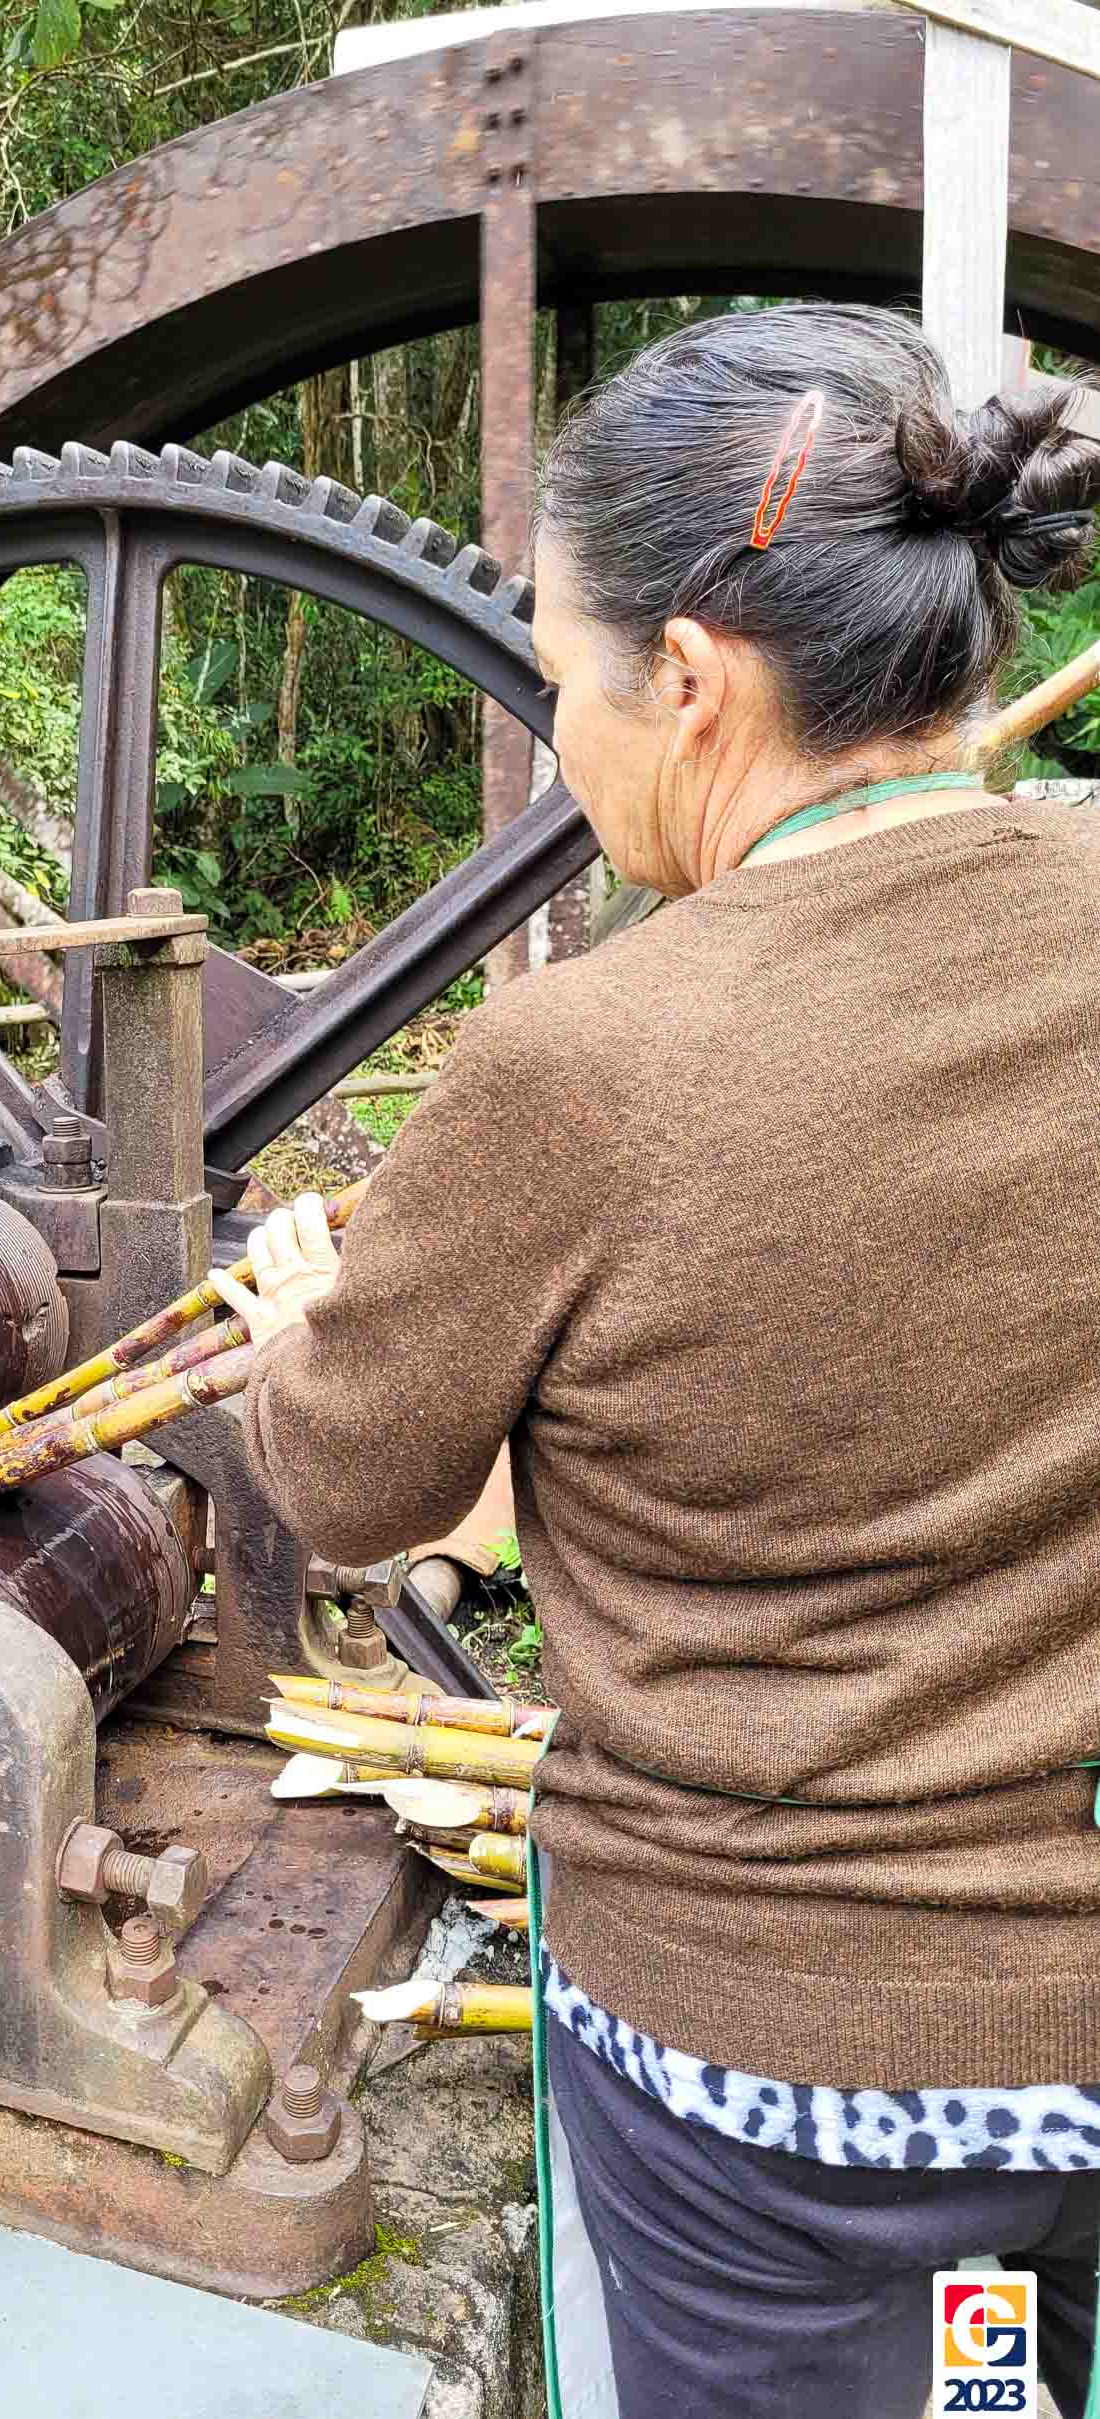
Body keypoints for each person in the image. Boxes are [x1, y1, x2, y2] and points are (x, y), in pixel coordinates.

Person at [210, 304, 1100, 2419]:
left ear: (689, 680)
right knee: (1003, 2385)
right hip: (1058, 2075)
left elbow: (349, 1482)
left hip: (785, 2085)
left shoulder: (587, 1065)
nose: (557, 729)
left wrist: (302, 1337)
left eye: (556, 671)